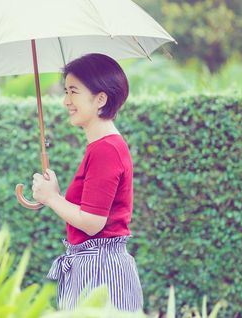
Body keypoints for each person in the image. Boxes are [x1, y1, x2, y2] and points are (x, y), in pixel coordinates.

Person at [31, 53, 143, 312]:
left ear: (100, 99)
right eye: (66, 91)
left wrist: (52, 198)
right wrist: (56, 195)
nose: (66, 101)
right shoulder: (102, 147)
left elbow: (93, 223)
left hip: (100, 274)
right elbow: (88, 214)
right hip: (94, 268)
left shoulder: (106, 149)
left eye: (74, 91)